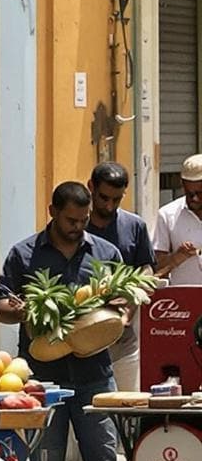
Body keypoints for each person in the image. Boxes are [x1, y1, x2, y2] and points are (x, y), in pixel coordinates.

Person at [0, 182, 125, 461]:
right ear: (52, 211)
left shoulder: (105, 253)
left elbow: (122, 304)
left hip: (94, 374)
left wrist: (119, 311)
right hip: (44, 379)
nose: (78, 227)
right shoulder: (24, 254)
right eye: (71, 220)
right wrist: (20, 311)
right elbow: (0, 304)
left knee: (103, 460)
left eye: (84, 221)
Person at [89, 161, 154, 391]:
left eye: (116, 199)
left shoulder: (134, 225)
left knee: (128, 409)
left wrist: (131, 300)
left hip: (124, 341)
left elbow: (146, 271)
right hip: (85, 340)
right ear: (91, 189)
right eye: (103, 198)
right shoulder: (76, 226)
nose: (109, 206)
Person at [152, 152, 202, 287]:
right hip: (184, 302)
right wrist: (177, 257)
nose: (194, 199)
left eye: (200, 193)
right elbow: (155, 268)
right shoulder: (167, 215)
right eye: (189, 193)